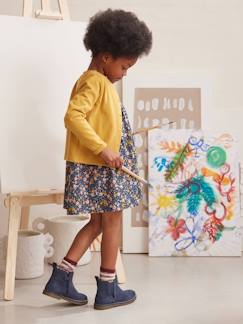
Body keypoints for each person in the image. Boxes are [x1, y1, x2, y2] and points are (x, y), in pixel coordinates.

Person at [42, 8, 152, 310]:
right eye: (125, 66)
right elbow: (73, 117)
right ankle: (107, 287)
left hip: (99, 164)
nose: (125, 73)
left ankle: (62, 277)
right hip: (99, 165)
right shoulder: (95, 81)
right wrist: (104, 149)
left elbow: (99, 120)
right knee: (113, 219)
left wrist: (119, 137)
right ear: (106, 56)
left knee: (98, 223)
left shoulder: (97, 81)